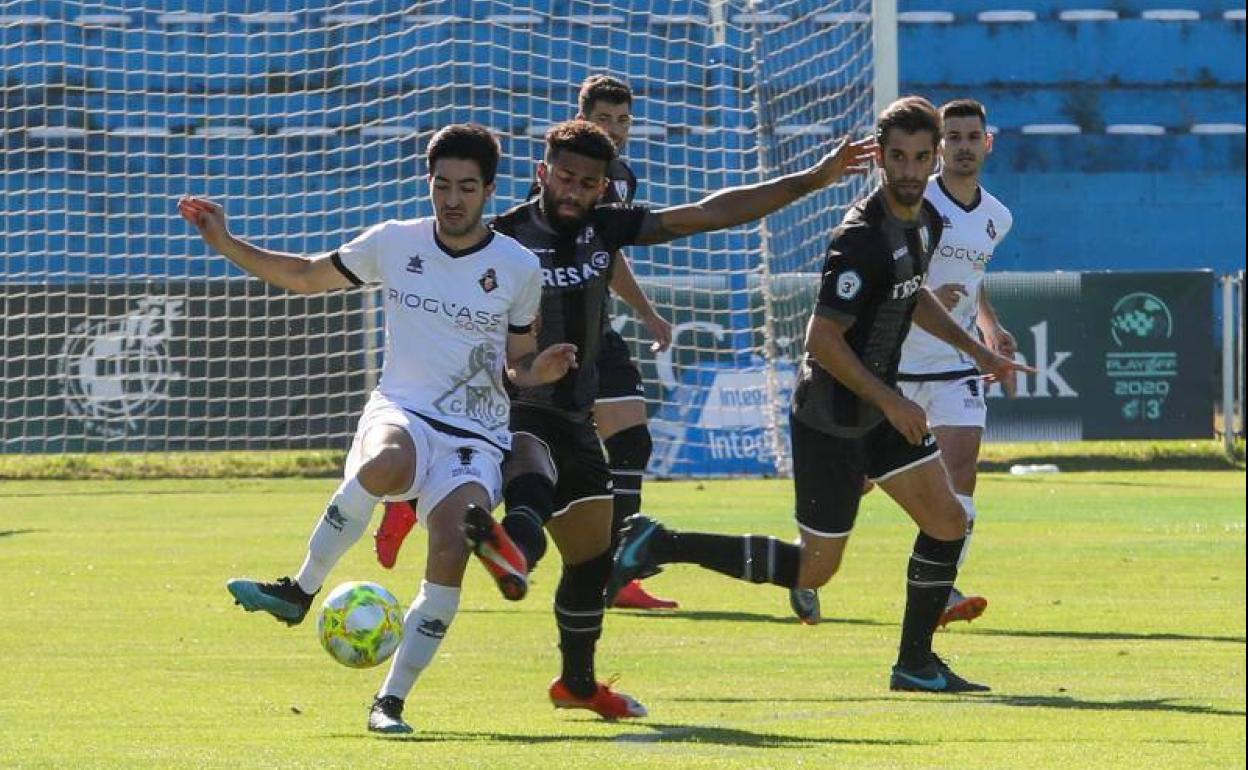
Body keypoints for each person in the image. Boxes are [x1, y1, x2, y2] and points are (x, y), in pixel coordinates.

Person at [606, 97, 1034, 693]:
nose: (910, 171)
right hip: (832, 417)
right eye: (898, 158)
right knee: (815, 568)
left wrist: (980, 349)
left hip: (878, 409)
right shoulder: (858, 237)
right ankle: (664, 542)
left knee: (947, 520)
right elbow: (822, 339)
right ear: (879, 159)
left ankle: (915, 663)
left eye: (920, 157)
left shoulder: (927, 222)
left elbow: (915, 296)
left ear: (933, 157)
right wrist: (890, 400)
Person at [179, 124, 576, 734]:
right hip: (404, 408)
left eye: (466, 187)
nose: (451, 199)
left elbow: (517, 364)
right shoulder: (394, 241)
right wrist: (226, 242)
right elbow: (309, 275)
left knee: (451, 545)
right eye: (441, 185)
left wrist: (536, 369)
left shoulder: (518, 268)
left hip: (475, 435)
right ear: (429, 183)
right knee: (385, 461)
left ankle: (389, 702)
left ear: (489, 191)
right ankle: (300, 589)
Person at [478, 119, 874, 719]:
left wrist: (816, 179)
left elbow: (709, 213)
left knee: (590, 558)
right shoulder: (498, 240)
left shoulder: (605, 229)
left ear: (603, 188)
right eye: (563, 176)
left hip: (576, 418)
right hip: (512, 408)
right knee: (531, 471)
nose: (573, 190)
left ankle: (577, 685)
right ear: (541, 173)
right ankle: (512, 552)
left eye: (587, 182)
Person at [373, 75, 680, 611]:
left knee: (628, 444)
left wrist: (645, 309)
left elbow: (607, 253)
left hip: (593, 333)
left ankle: (607, 560)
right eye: (603, 119)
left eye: (623, 120)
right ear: (582, 117)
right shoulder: (550, 192)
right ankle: (426, 497)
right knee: (536, 456)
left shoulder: (614, 180)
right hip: (540, 341)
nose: (614, 128)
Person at [789, 98, 1017, 628]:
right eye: (953, 137)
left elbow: (973, 277)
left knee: (959, 481)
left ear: (988, 143)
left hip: (954, 361)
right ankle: (805, 566)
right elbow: (901, 283)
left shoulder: (998, 217)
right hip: (893, 366)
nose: (962, 147)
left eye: (970, 137)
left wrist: (988, 326)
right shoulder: (912, 202)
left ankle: (940, 588)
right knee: (857, 487)